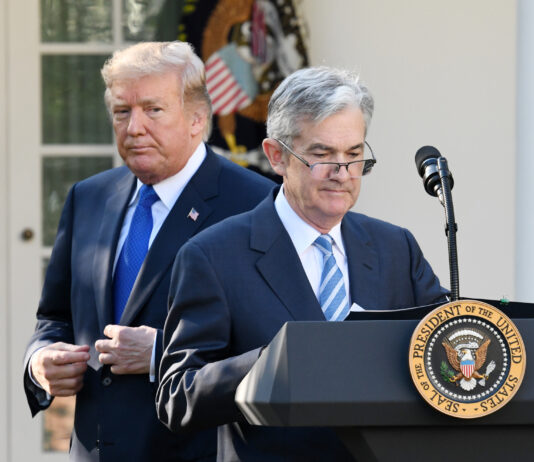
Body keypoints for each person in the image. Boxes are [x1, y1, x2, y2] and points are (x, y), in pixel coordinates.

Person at [156, 66, 449, 461]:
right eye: (322, 155)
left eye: (354, 155)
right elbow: (178, 395)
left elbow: (440, 351)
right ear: (277, 156)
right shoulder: (212, 255)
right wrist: (274, 362)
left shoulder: (395, 247)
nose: (342, 174)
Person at [23, 41, 274, 461]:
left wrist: (162, 354)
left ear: (197, 118)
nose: (134, 127)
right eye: (122, 112)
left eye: (153, 110)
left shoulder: (255, 205)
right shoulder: (88, 198)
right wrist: (39, 361)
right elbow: (54, 317)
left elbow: (271, 350)